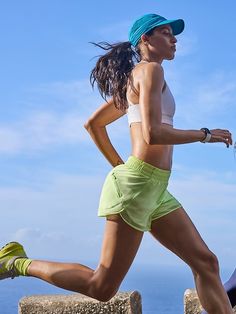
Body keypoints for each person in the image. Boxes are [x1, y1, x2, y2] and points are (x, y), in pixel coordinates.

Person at [0, 13, 234, 314]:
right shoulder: (150, 72)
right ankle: (16, 261)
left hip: (153, 188)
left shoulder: (138, 79)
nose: (174, 39)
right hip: (138, 187)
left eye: (173, 34)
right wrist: (205, 135)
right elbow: (152, 133)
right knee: (102, 287)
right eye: (165, 33)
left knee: (206, 262)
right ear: (145, 40)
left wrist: (120, 167)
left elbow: (93, 124)